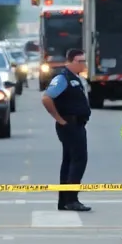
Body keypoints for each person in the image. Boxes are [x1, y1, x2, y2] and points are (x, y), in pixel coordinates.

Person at [41, 48, 92, 212]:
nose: (83, 64)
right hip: (70, 124)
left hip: (77, 124)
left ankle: (65, 200)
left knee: (69, 161)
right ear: (69, 62)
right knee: (78, 160)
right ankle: (71, 199)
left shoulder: (76, 79)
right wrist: (59, 119)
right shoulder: (62, 78)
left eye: (84, 61)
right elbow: (47, 98)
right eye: (80, 61)